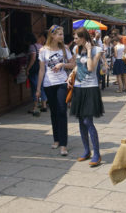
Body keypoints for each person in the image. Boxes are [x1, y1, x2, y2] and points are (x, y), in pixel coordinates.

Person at [68, 27, 104, 167]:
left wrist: (89, 51)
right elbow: (78, 66)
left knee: (88, 121)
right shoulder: (76, 49)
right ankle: (86, 151)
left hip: (90, 88)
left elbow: (90, 68)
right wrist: (71, 75)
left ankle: (97, 153)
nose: (74, 40)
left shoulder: (96, 50)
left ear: (84, 38)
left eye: (76, 38)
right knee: (81, 121)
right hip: (78, 88)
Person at [36, 25, 74, 156]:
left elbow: (73, 64)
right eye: (59, 34)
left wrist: (62, 64)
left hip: (62, 82)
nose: (62, 37)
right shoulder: (43, 51)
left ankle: (64, 144)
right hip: (48, 83)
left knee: (62, 111)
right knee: (54, 112)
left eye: (62, 34)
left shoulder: (65, 49)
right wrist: (38, 89)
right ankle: (56, 139)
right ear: (52, 35)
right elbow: (41, 70)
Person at [25, 33, 47, 115]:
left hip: (34, 69)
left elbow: (33, 58)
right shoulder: (41, 46)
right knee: (42, 86)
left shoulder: (32, 47)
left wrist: (28, 68)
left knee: (35, 87)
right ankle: (44, 105)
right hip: (42, 68)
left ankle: (35, 107)